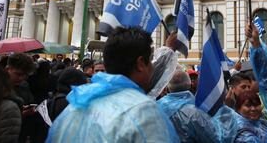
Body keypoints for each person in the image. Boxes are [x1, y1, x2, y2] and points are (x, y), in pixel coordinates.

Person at [47, 26, 179, 142]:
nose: (151, 68)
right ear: (140, 64)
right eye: (150, 62)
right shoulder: (144, 112)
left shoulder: (73, 109)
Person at [158, 70, 221, 142]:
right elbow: (213, 139)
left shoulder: (154, 107)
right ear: (190, 84)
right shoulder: (197, 113)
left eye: (195, 79)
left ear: (167, 87)